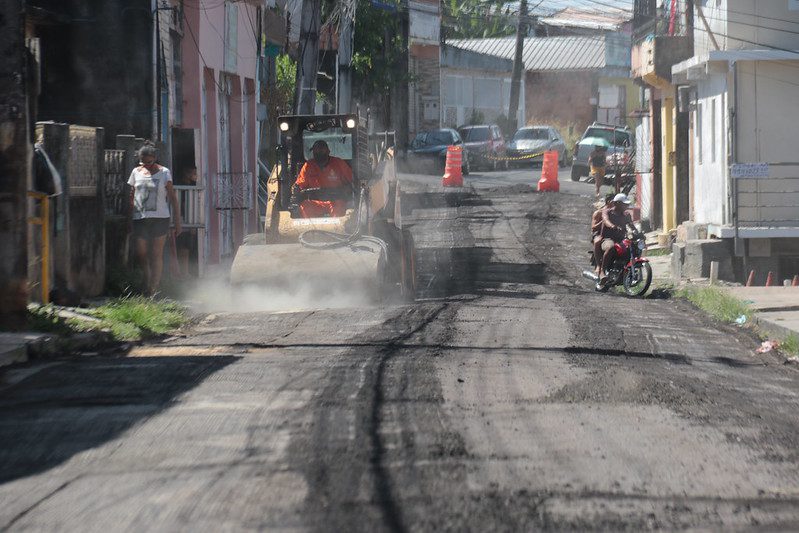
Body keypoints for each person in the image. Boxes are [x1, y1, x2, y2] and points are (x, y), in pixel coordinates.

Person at [128, 143, 181, 295]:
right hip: (140, 218)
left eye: (150, 162)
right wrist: (128, 219)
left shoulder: (164, 172)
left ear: (155, 159)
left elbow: (172, 198)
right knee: (142, 252)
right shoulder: (135, 172)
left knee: (156, 253)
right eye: (144, 163)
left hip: (160, 219)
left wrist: (177, 222)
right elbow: (131, 196)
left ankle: (153, 288)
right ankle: (147, 278)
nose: (147, 166)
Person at [292, 140, 354, 218]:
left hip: (335, 200)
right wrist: (296, 189)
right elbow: (300, 184)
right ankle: (309, 229)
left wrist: (346, 190)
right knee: (305, 207)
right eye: (316, 150)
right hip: (316, 201)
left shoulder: (338, 163)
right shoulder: (308, 166)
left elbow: (352, 180)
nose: (319, 152)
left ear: (328, 151)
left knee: (338, 208)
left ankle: (335, 229)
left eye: (321, 149)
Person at [597, 193, 637, 282]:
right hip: (607, 239)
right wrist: (613, 226)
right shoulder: (607, 212)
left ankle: (625, 272)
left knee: (632, 248)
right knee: (611, 247)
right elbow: (606, 220)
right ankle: (602, 272)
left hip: (621, 240)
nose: (627, 206)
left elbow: (631, 225)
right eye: (624, 204)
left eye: (627, 204)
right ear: (617, 203)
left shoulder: (626, 215)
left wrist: (638, 233)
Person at [174, 166, 198, 278]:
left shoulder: (191, 186)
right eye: (194, 173)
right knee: (183, 247)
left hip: (188, 218)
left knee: (187, 246)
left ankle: (185, 272)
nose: (196, 176)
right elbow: (184, 205)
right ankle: (183, 273)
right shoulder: (183, 187)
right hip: (184, 219)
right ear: (187, 173)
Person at [591, 193, 616, 276]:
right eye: (614, 201)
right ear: (608, 202)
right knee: (597, 241)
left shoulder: (615, 213)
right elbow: (593, 227)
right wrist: (603, 222)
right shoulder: (598, 213)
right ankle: (599, 266)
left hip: (610, 233)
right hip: (598, 233)